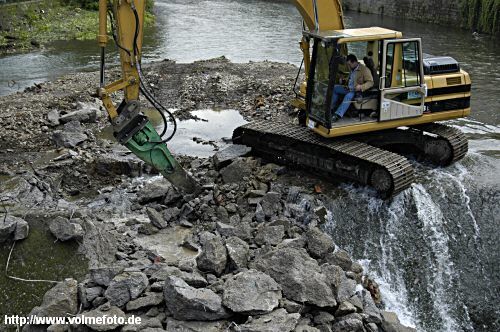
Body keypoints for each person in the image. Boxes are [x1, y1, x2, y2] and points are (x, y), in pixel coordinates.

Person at [331, 54, 374, 121]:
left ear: (354, 62)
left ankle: (337, 115)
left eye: (349, 64)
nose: (348, 66)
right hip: (348, 88)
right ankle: (331, 108)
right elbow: (351, 79)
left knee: (348, 96)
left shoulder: (364, 70)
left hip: (356, 91)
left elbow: (371, 83)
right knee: (334, 88)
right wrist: (343, 80)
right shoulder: (352, 68)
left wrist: (361, 86)